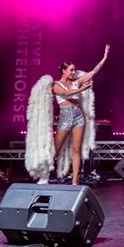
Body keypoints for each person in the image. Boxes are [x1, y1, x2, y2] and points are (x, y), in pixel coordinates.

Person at [52, 45, 109, 184]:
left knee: (76, 149)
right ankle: (43, 176)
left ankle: (75, 181)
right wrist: (81, 89)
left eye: (74, 69)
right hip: (65, 116)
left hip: (78, 116)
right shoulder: (55, 84)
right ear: (64, 71)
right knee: (55, 150)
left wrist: (105, 57)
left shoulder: (77, 82)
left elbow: (93, 72)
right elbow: (65, 93)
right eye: (71, 70)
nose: (74, 72)